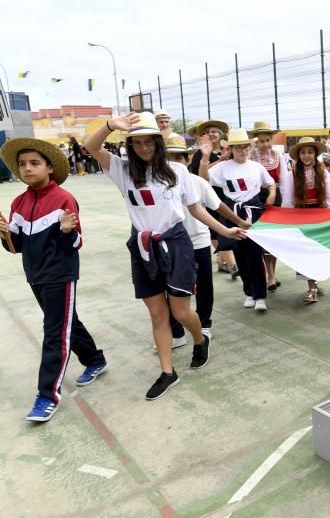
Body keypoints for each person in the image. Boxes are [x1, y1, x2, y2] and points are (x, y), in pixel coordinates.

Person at [84, 112, 246, 400]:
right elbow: (91, 147)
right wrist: (110, 126)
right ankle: (168, 372)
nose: (144, 148)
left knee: (180, 312)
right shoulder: (122, 170)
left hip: (176, 243)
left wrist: (225, 231)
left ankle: (199, 339)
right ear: (130, 146)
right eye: (137, 143)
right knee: (157, 314)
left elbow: (196, 210)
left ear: (159, 143)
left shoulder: (177, 171)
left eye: (149, 142)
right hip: (143, 247)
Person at [0, 138, 108, 422]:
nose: (27, 169)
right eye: (22, 164)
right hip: (34, 275)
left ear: (49, 167)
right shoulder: (19, 202)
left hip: (60, 274)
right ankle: (95, 359)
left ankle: (47, 395)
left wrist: (65, 231)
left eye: (34, 163)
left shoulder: (64, 199)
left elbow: (77, 242)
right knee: (65, 321)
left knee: (54, 332)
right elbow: (17, 247)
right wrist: (4, 234)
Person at [163, 135, 250, 349]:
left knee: (203, 285)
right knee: (171, 289)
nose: (174, 163)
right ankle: (175, 333)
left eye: (178, 158)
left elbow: (218, 205)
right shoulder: (158, 183)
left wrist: (238, 222)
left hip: (198, 241)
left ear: (185, 160)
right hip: (171, 245)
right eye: (169, 158)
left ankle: (204, 323)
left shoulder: (197, 182)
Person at [200, 128, 276, 312]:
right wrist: (204, 158)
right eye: (239, 147)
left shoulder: (256, 166)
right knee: (240, 255)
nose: (243, 150)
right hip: (232, 213)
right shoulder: (223, 167)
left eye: (246, 147)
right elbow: (202, 178)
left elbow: (270, 182)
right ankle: (249, 292)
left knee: (254, 255)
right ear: (231, 149)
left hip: (254, 213)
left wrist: (272, 194)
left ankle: (260, 295)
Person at [283, 137, 330, 302]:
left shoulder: (322, 171)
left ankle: (315, 283)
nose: (306, 156)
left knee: (317, 250)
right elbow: (288, 199)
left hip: (319, 215)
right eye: (303, 152)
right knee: (305, 252)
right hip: (301, 216)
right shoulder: (292, 173)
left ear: (315, 154)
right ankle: (311, 287)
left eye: (310, 152)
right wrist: (286, 219)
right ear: (298, 155)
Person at [190, 119, 238, 278]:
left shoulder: (228, 150)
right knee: (216, 231)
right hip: (208, 195)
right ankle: (232, 265)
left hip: (227, 194)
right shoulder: (201, 153)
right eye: (208, 132)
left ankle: (222, 260)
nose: (211, 134)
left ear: (221, 134)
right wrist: (220, 160)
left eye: (215, 131)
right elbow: (198, 174)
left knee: (225, 226)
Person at [247, 121, 284, 292]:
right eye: (261, 141)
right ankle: (266, 274)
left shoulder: (278, 155)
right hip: (256, 198)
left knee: (274, 238)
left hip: (275, 197)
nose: (265, 144)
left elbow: (284, 179)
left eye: (267, 140)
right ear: (255, 140)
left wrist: (284, 202)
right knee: (260, 238)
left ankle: (272, 274)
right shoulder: (249, 156)